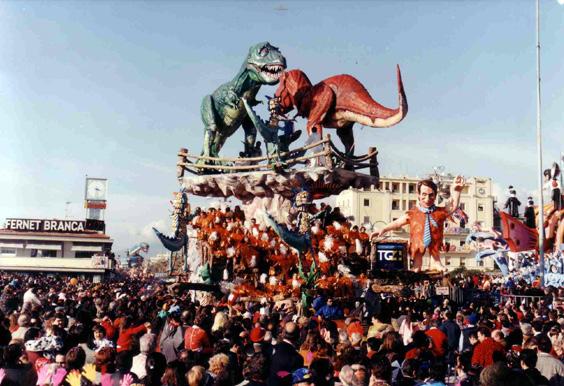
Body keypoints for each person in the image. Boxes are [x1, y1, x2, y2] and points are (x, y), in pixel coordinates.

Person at [371, 177, 465, 271]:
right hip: (417, 242)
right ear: (418, 195)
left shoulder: (439, 212)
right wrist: (383, 229)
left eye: (431, 195)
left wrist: (456, 192)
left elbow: (452, 207)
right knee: (417, 251)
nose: (427, 199)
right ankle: (417, 264)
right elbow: (397, 222)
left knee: (435, 248)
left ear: (435, 196)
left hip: (435, 241)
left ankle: (435, 262)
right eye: (424, 195)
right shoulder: (412, 213)